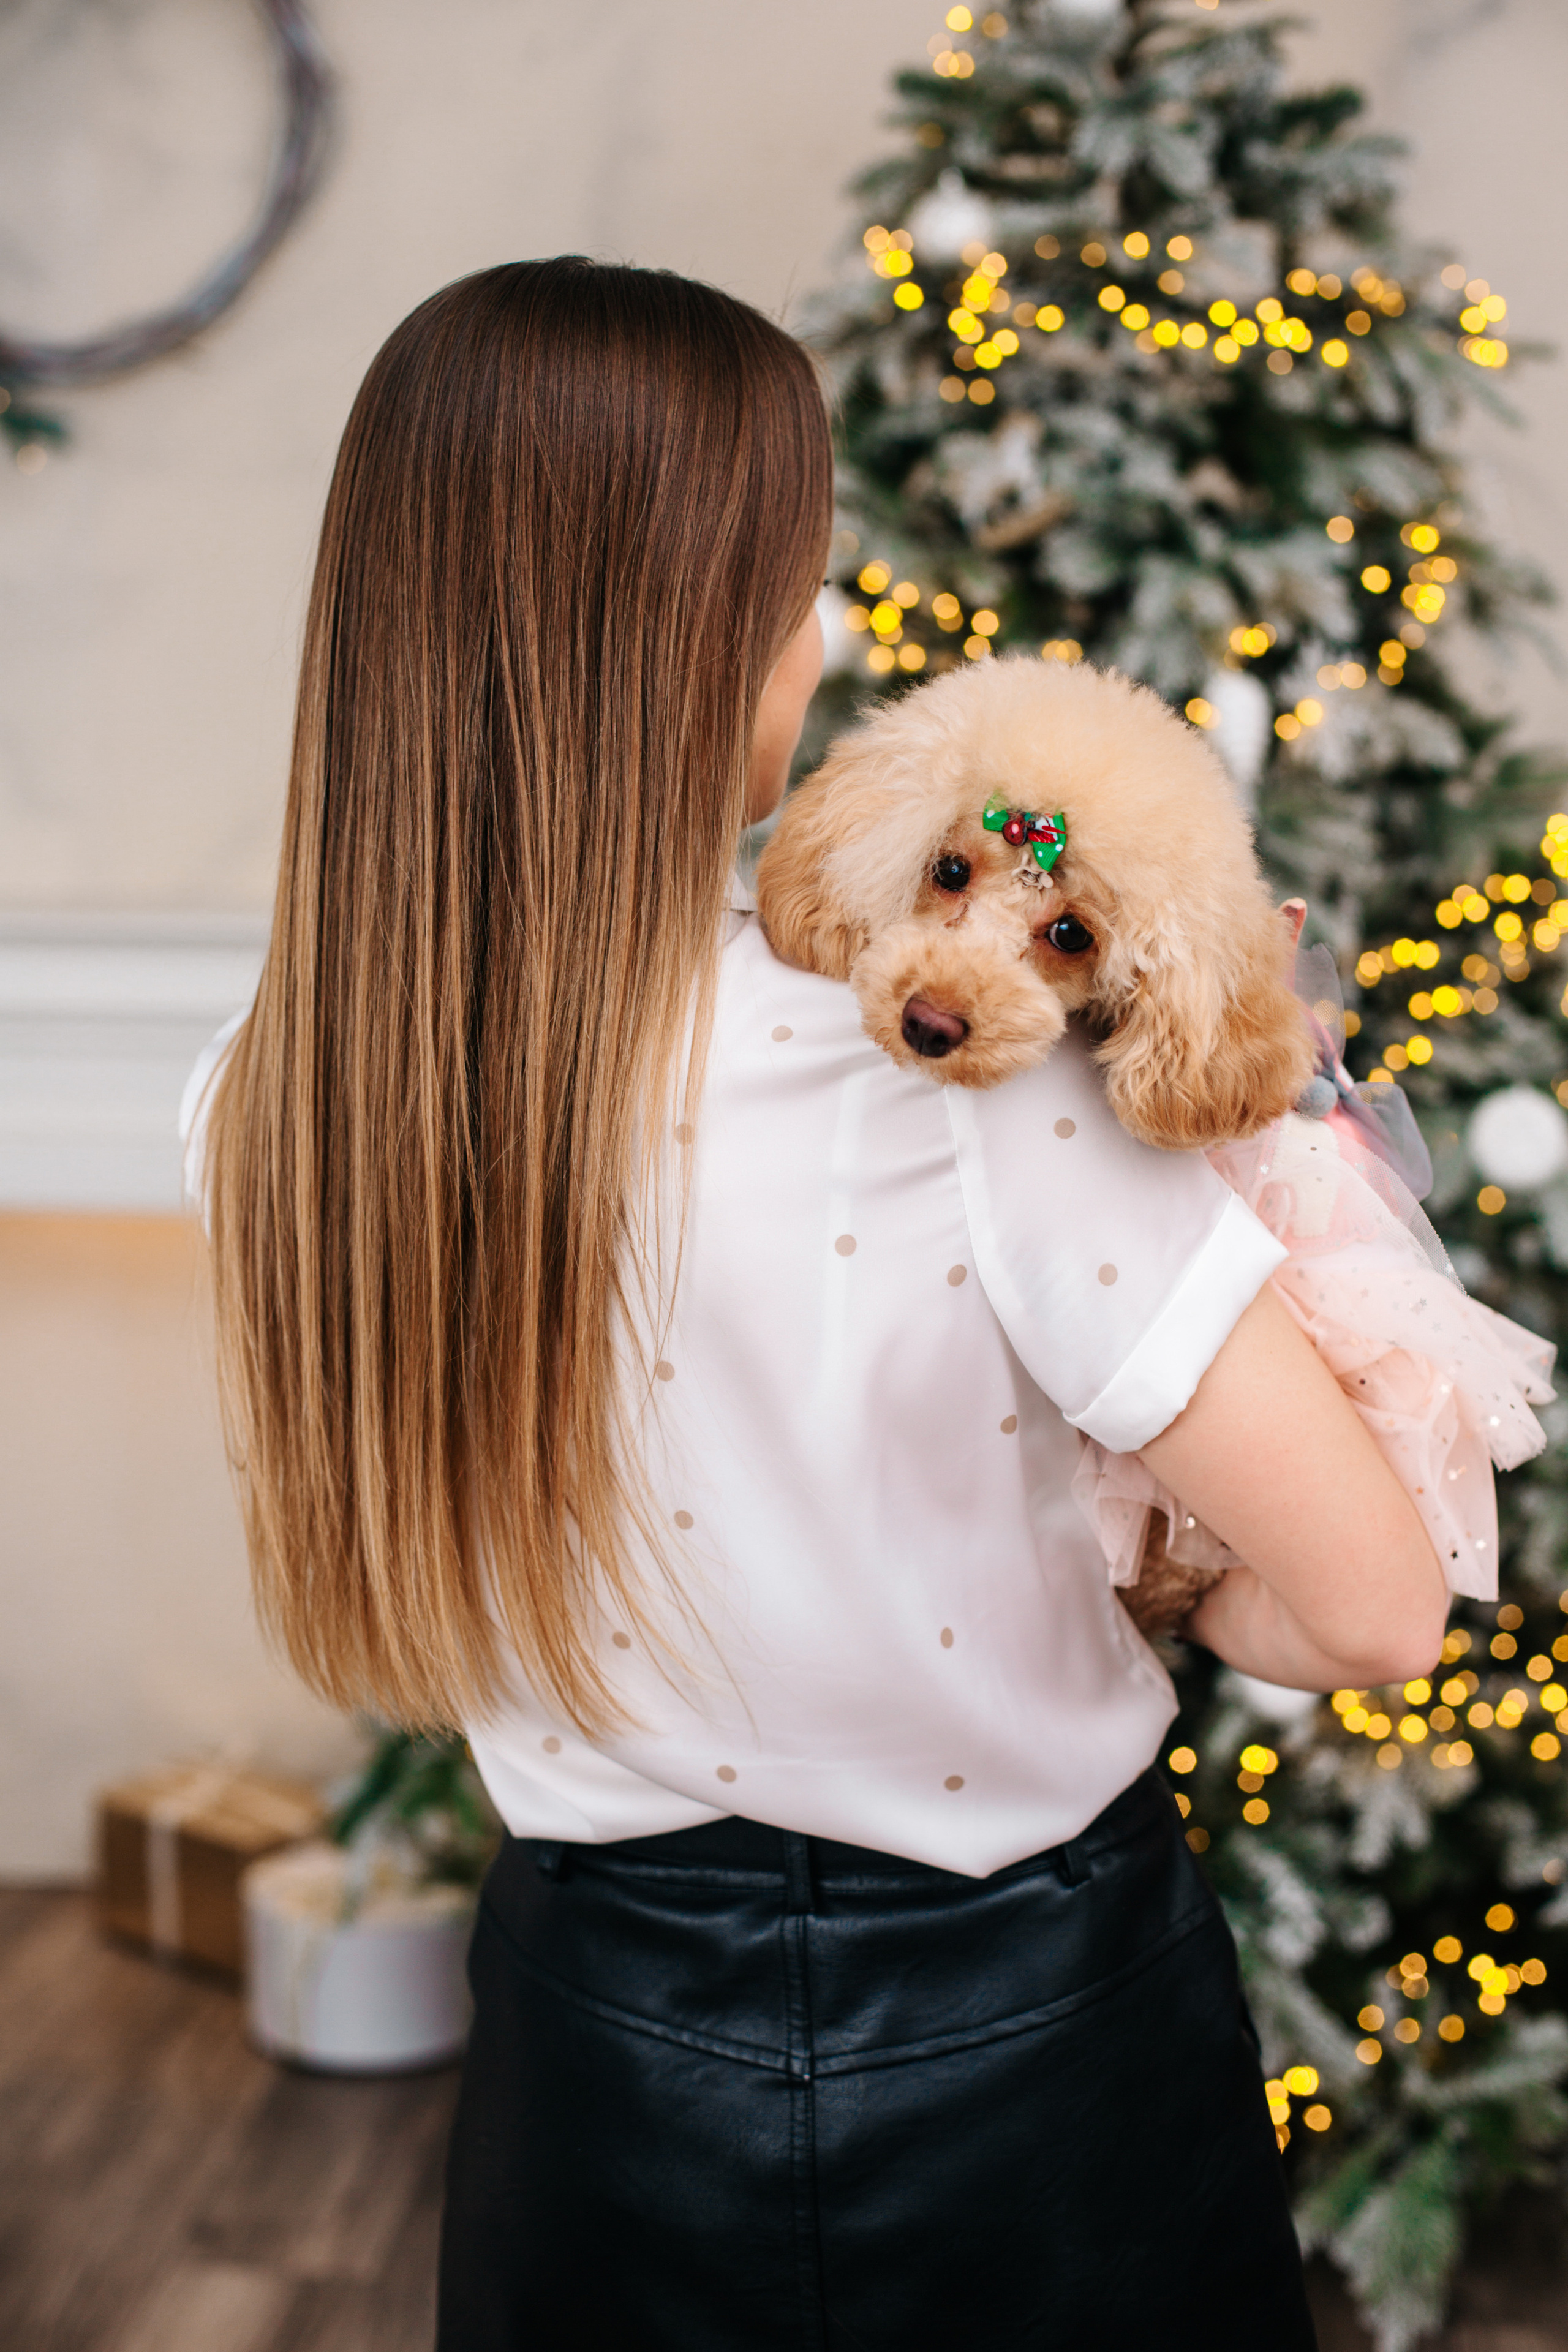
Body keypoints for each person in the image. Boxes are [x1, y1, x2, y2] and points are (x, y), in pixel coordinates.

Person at [194, 258, 1448, 2350]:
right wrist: (1179, 1587)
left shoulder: (269, 1105)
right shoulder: (963, 1086)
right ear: (701, 639)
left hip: (588, 2053)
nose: (828, 637)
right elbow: (1378, 1613)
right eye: (796, 584)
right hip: (1032, 2051)